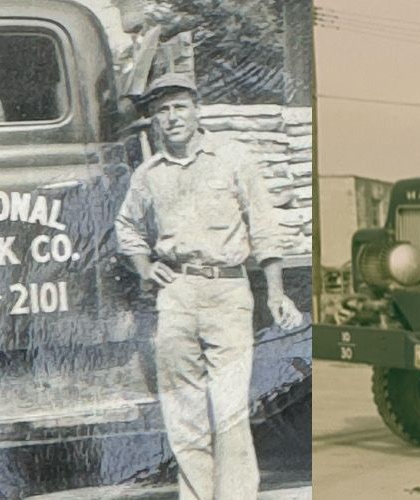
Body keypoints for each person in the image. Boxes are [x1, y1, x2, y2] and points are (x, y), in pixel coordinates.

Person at [113, 73, 305, 500]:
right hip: (176, 295)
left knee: (231, 410)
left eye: (179, 107)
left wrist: (275, 291)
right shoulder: (149, 175)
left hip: (227, 292)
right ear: (154, 121)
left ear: (197, 110)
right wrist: (146, 268)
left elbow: (264, 227)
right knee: (184, 411)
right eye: (162, 111)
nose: (172, 117)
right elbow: (127, 227)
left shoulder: (233, 159)